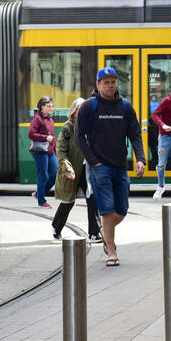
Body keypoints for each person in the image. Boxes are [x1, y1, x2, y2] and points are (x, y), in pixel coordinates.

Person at [75, 67, 146, 267]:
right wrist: (93, 161)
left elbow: (135, 134)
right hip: (100, 167)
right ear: (98, 85)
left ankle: (104, 233)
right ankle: (112, 251)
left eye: (113, 81)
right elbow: (78, 137)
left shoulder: (125, 106)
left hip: (120, 165)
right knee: (107, 209)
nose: (110, 85)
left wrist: (140, 158)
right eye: (105, 82)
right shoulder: (89, 106)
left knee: (121, 210)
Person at [51, 98, 102, 242]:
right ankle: (56, 226)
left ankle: (94, 233)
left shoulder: (92, 125)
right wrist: (67, 168)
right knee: (68, 201)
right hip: (72, 170)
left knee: (92, 199)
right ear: (74, 112)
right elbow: (61, 151)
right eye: (80, 109)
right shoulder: (68, 128)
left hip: (88, 169)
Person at [29, 96, 57, 208]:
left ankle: (38, 193)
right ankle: (41, 200)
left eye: (51, 106)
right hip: (40, 151)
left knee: (55, 174)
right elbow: (31, 134)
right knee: (43, 175)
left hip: (50, 151)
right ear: (42, 107)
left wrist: (54, 151)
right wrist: (45, 137)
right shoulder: (37, 119)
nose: (50, 108)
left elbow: (53, 137)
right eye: (48, 106)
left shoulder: (50, 119)